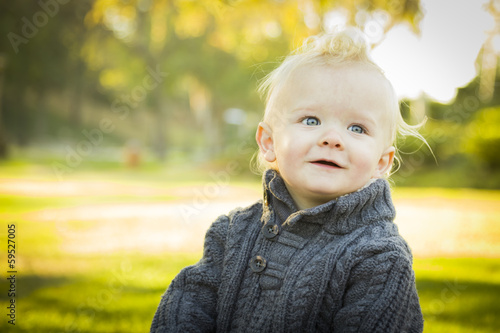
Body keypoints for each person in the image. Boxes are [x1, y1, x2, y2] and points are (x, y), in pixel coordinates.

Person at [151, 28, 424, 333]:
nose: (332, 139)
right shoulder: (230, 234)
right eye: (311, 121)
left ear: (381, 163)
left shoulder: (379, 258)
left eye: (357, 128)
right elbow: (186, 308)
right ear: (268, 142)